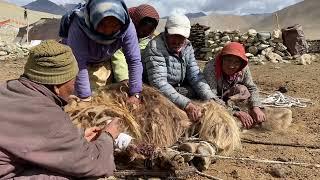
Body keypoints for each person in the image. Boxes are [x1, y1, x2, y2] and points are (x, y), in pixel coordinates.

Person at [0, 40, 120, 178]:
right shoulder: (45, 113)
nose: (74, 87)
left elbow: (29, 136)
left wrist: (77, 137)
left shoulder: (8, 89)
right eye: (73, 80)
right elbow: (95, 164)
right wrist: (108, 136)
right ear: (57, 86)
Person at [59, 0, 142, 104]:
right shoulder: (79, 25)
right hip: (73, 63)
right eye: (102, 25)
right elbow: (78, 64)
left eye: (114, 25)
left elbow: (134, 60)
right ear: (93, 19)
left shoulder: (127, 27)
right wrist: (85, 98)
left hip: (101, 60)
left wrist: (136, 93)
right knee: (75, 100)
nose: (108, 31)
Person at [142, 15, 217, 121]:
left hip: (179, 88)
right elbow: (158, 82)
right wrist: (186, 104)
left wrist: (210, 98)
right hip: (157, 92)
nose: (177, 41)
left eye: (181, 37)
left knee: (204, 98)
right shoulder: (155, 48)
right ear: (166, 32)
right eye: (174, 35)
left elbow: (195, 75)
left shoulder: (187, 46)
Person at [203, 42, 266, 129]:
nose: (231, 66)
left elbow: (252, 87)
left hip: (230, 96)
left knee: (243, 89)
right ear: (222, 59)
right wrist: (234, 112)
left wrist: (256, 106)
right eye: (228, 60)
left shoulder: (243, 68)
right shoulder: (211, 69)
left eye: (236, 62)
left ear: (241, 63)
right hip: (215, 97)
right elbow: (211, 97)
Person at [111, 4, 159, 82]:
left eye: (148, 31)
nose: (144, 33)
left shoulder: (151, 38)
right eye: (143, 30)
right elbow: (117, 54)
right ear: (135, 23)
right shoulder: (120, 30)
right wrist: (124, 80)